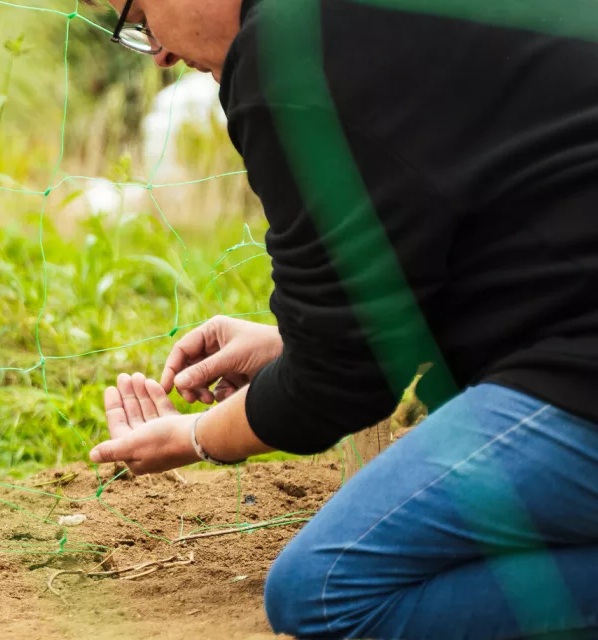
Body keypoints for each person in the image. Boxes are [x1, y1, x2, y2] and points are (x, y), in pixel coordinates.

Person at [86, 0, 597, 637]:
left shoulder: (286, 49)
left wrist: (195, 436)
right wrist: (291, 342)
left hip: (580, 377)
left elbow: (337, 382)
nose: (156, 50)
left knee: (324, 590)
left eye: (135, 16)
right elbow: (483, 225)